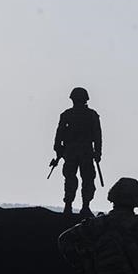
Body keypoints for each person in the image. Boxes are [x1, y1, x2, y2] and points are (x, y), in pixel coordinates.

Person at [53, 87, 102, 216]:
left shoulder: (69, 115)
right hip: (78, 152)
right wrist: (97, 152)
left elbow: (97, 136)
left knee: (80, 179)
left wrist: (58, 150)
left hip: (77, 152)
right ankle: (76, 206)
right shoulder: (89, 115)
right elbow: (59, 135)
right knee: (81, 179)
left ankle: (75, 206)